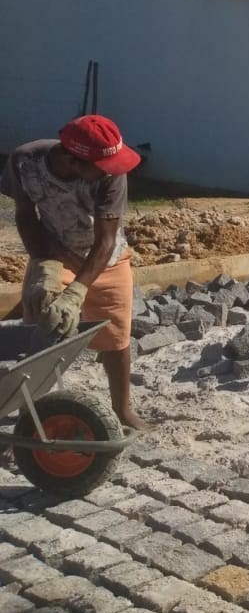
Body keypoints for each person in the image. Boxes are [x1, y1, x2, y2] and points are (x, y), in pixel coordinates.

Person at [0, 115, 148, 430]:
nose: (113, 168)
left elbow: (106, 240)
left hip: (106, 259)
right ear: (73, 160)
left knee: (116, 335)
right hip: (54, 255)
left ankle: (122, 410)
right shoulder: (26, 161)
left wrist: (77, 292)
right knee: (40, 334)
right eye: (103, 165)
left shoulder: (111, 173)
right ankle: (30, 419)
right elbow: (25, 216)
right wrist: (44, 266)